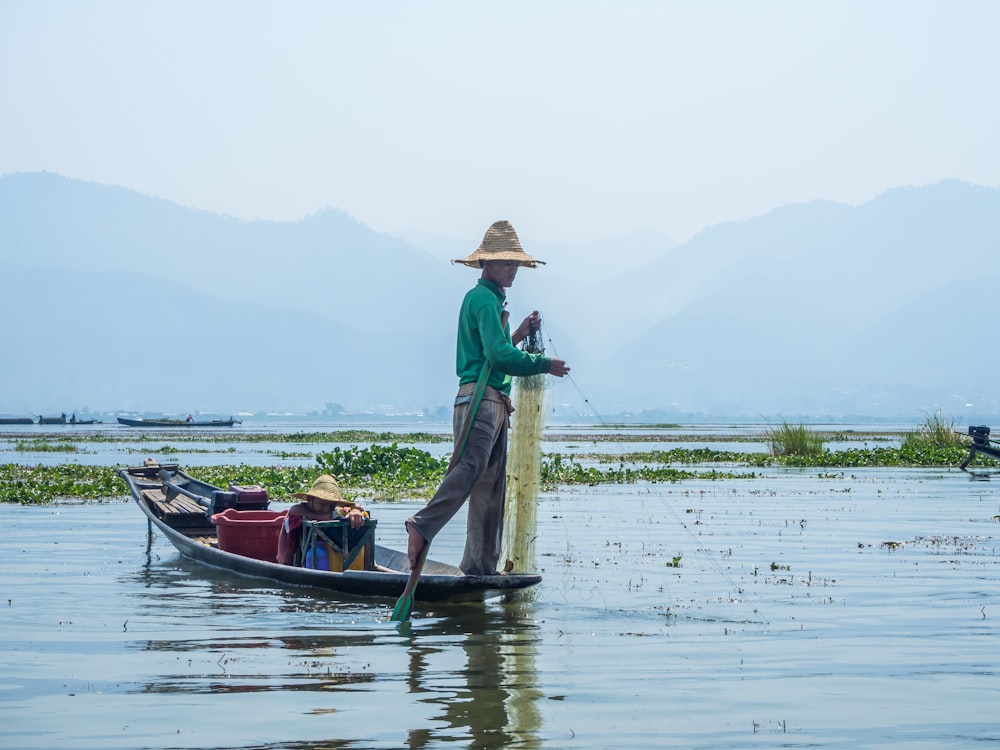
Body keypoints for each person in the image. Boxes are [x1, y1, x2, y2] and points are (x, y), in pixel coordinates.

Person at [405, 220, 570, 576]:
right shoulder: (481, 299)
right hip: (480, 400)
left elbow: (491, 352)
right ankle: (422, 524)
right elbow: (497, 358)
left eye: (515, 264)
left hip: (493, 399)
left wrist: (519, 333)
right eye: (506, 263)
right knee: (471, 467)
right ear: (487, 264)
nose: (513, 270)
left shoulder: (490, 300)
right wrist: (543, 364)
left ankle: (479, 566)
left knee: (491, 486)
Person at [276, 474, 369, 566]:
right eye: (322, 504)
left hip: (337, 559)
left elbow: (354, 507)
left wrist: (355, 510)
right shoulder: (299, 511)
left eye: (331, 505)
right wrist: (322, 517)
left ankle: (372, 564)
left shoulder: (336, 512)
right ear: (309, 499)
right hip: (304, 559)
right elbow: (294, 509)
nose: (326, 509)